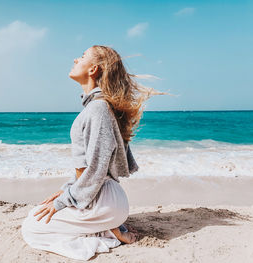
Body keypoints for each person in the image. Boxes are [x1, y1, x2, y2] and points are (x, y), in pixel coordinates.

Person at [21, 45, 164, 261]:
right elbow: (89, 169)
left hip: (103, 201)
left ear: (93, 69)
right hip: (103, 198)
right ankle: (109, 227)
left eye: (82, 57)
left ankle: (108, 231)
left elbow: (96, 168)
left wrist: (64, 201)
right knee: (39, 213)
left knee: (31, 228)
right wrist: (66, 191)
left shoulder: (98, 109)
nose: (75, 59)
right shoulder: (97, 108)